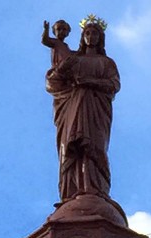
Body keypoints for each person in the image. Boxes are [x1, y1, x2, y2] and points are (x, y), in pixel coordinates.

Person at [45, 21, 120, 202]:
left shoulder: (106, 62)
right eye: (87, 33)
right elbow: (53, 83)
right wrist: (61, 70)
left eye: (95, 34)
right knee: (73, 146)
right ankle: (72, 192)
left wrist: (90, 82)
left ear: (100, 38)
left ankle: (97, 189)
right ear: (82, 37)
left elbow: (114, 84)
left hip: (96, 109)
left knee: (95, 145)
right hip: (74, 106)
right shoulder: (74, 60)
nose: (91, 37)